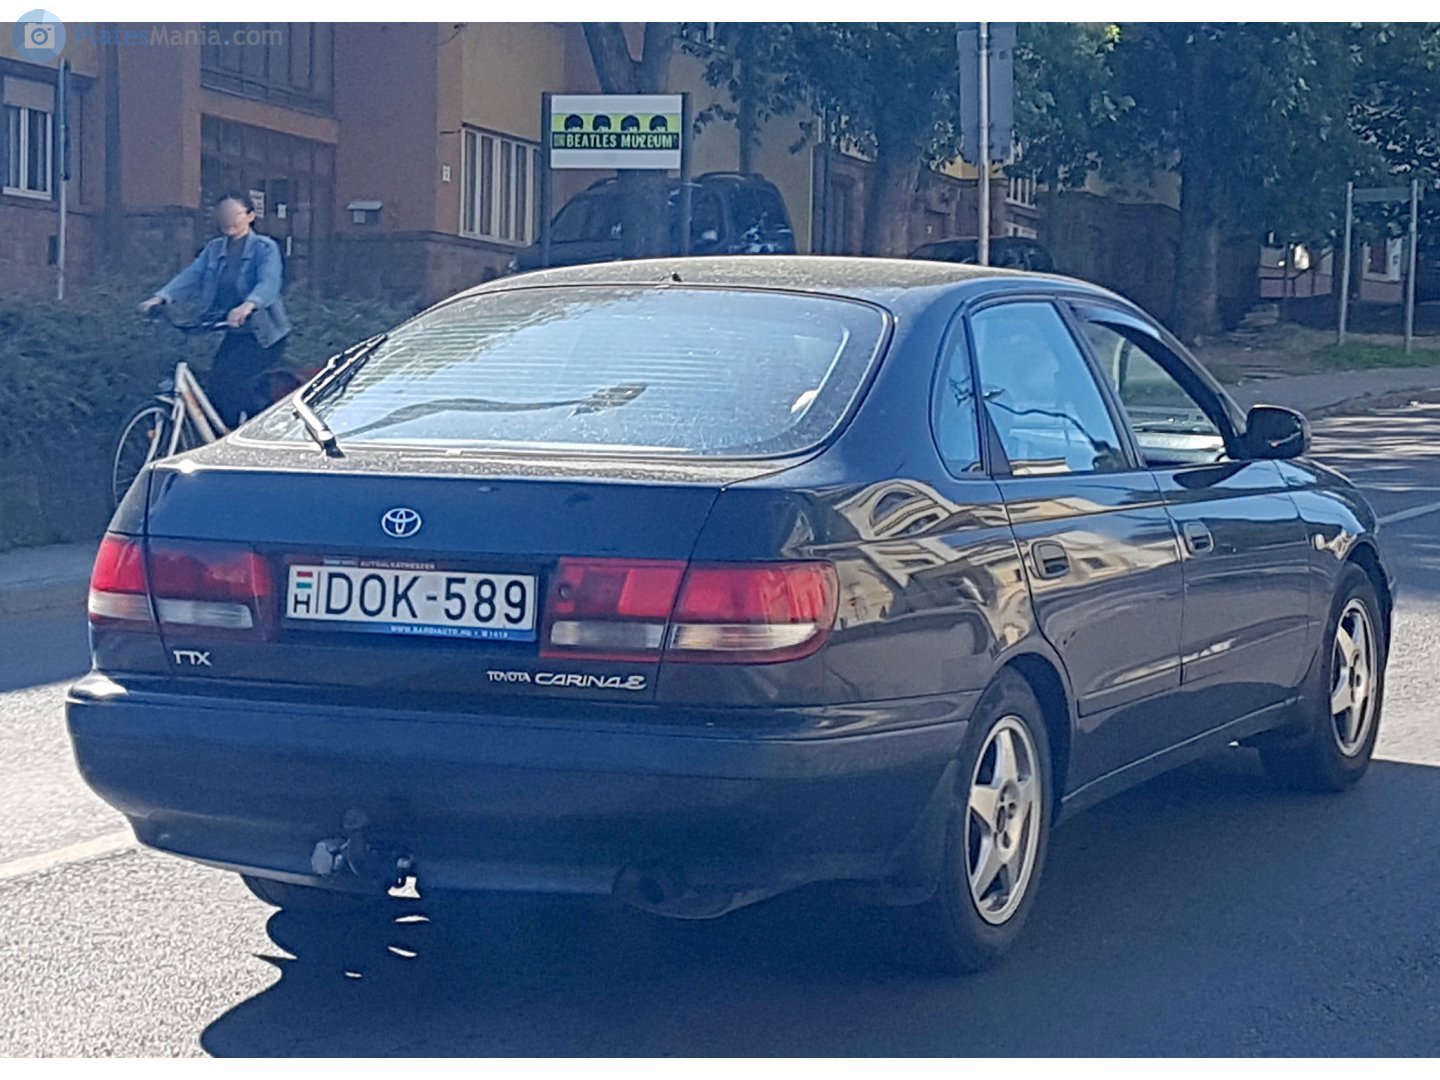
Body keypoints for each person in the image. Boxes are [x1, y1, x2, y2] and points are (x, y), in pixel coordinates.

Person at [139, 193, 293, 427]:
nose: (228, 220)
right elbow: (192, 275)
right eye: (223, 215)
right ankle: (222, 435)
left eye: (235, 215)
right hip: (236, 332)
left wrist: (248, 306)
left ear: (250, 216)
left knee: (231, 379)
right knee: (217, 383)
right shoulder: (214, 249)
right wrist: (161, 297)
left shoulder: (265, 248)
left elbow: (269, 283)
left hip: (266, 336)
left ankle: (256, 426)